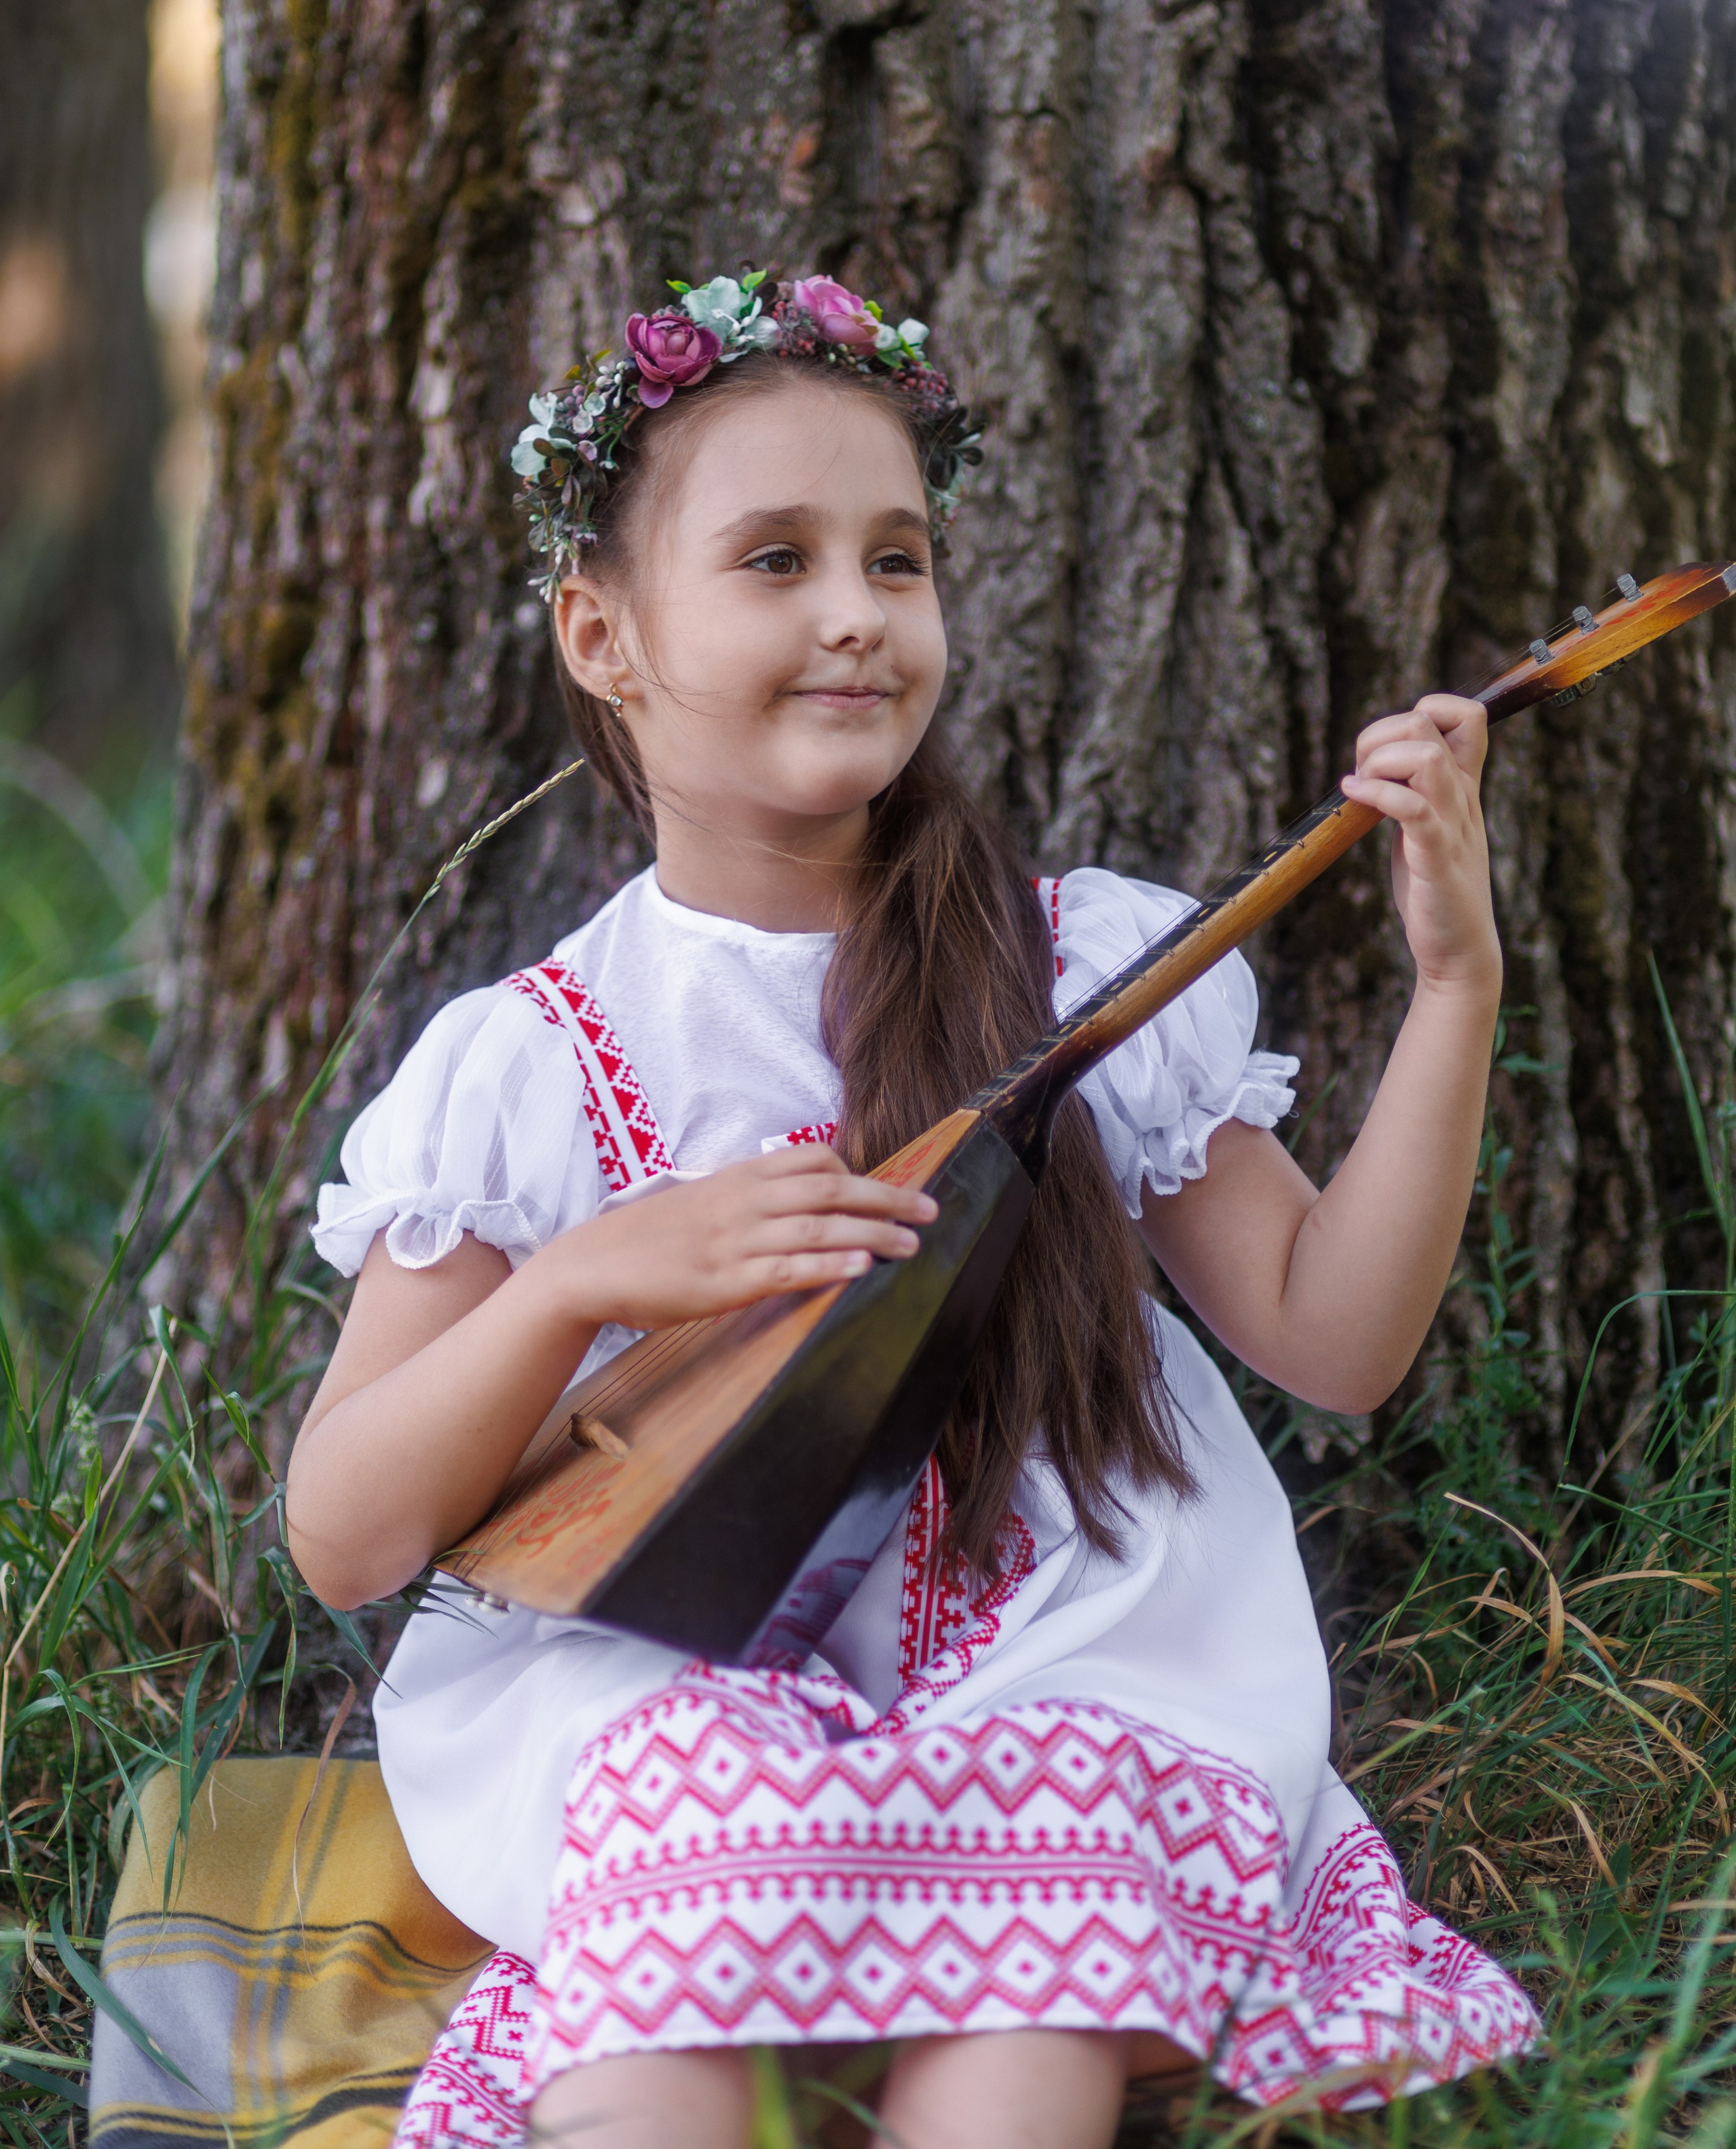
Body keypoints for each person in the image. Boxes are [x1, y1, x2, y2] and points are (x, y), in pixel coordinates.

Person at [287, 271, 1538, 2149]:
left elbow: (1334, 1339)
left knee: (1019, 2020)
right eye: (775, 563)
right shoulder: (530, 1061)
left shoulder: (1075, 963)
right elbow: (346, 1532)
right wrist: (579, 1287)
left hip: (1066, 1666)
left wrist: (1457, 991)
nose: (860, 616)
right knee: (669, 1993)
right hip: (676, 1680)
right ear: (603, 635)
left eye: (900, 559)